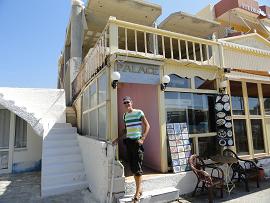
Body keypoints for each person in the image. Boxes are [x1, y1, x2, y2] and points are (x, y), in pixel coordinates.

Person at [122, 96, 150, 202]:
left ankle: (137, 193)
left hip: (137, 142)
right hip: (128, 142)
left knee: (137, 168)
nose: (126, 104)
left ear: (131, 103)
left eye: (128, 102)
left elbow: (147, 126)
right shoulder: (124, 115)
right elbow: (126, 129)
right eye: (124, 103)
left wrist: (142, 138)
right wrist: (116, 139)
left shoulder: (139, 112)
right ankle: (140, 189)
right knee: (133, 167)